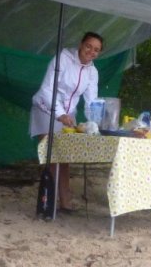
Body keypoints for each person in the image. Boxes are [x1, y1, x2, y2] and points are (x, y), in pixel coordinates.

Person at [30, 31, 103, 212]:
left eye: (96, 50)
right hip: (46, 107)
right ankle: (48, 204)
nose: (91, 52)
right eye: (88, 46)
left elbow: (91, 101)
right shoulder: (62, 58)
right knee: (52, 157)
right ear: (81, 44)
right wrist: (60, 113)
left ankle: (65, 202)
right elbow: (47, 89)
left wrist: (93, 122)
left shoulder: (92, 72)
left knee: (65, 158)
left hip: (69, 115)